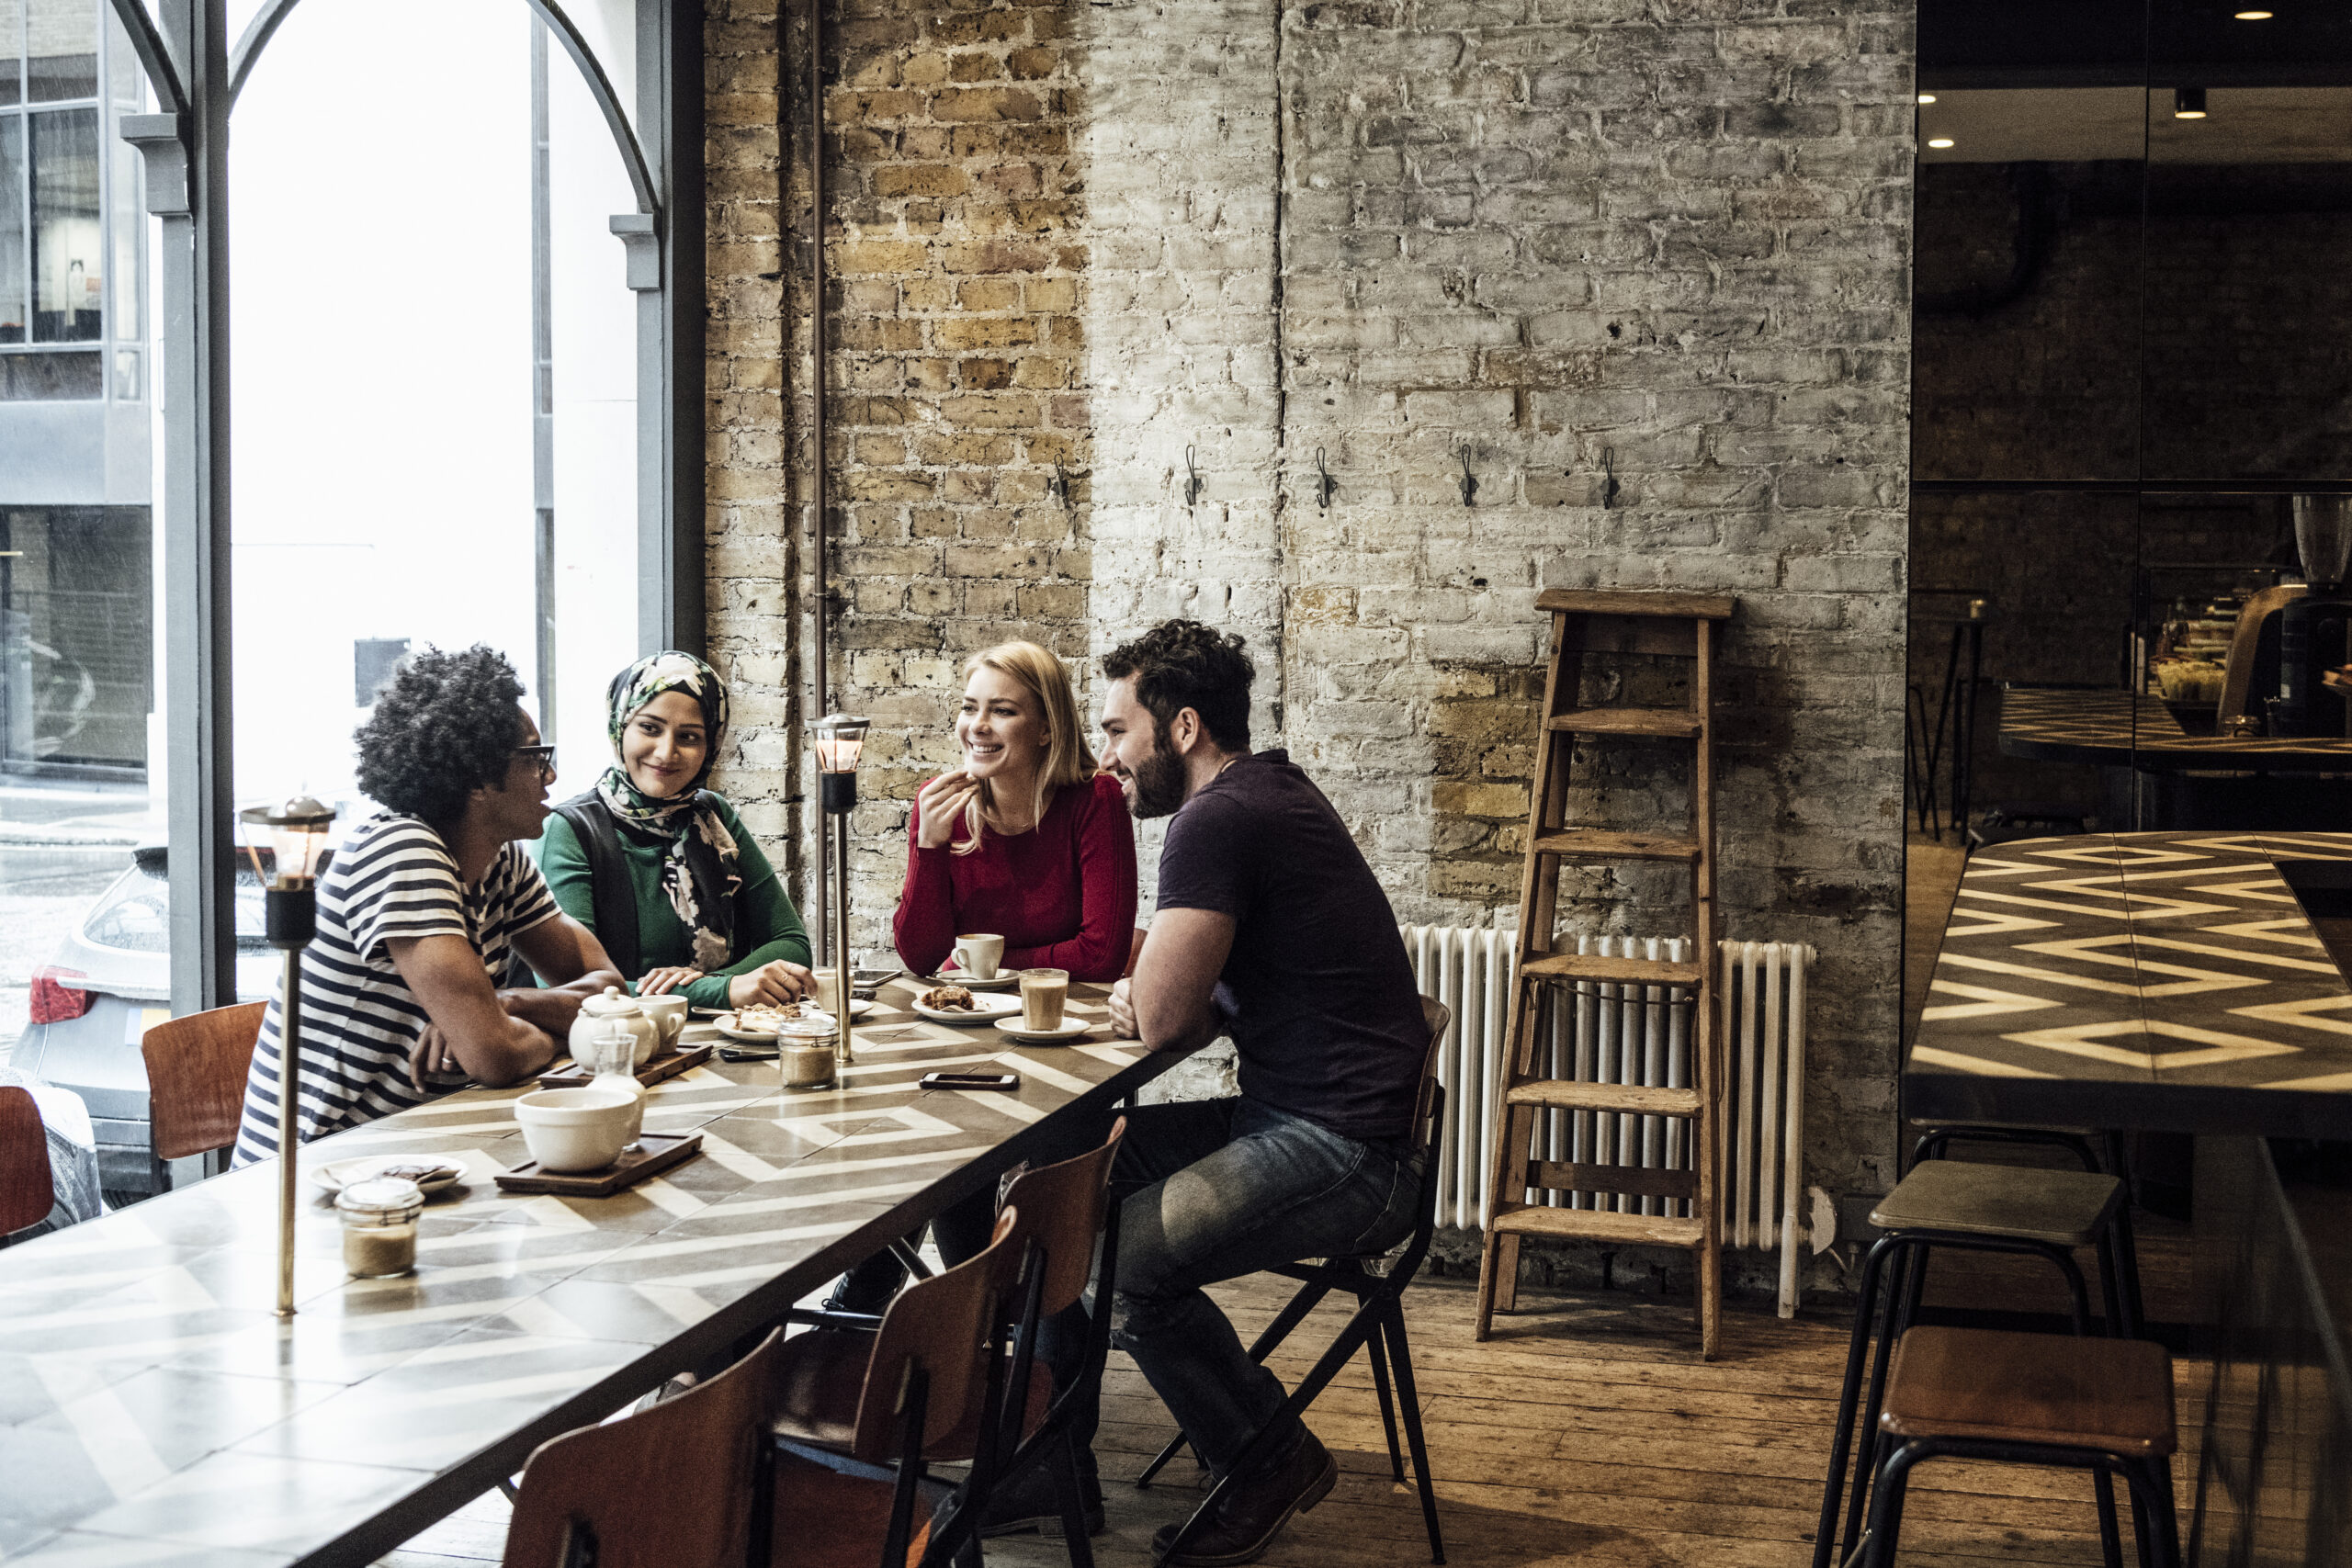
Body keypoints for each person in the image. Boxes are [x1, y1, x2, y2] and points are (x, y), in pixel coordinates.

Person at [1082, 618, 1430, 1565]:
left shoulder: (1215, 821)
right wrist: (1158, 995)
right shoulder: (1267, 792)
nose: (1107, 757)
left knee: (1119, 1264)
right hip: (1305, 1119)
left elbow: (1160, 1022)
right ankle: (1053, 1457)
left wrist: (1144, 994)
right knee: (1070, 1177)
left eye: (1119, 732)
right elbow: (1193, 1015)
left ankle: (1267, 1459)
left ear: (1183, 727)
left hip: (1347, 1155)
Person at [232, 646, 623, 1164]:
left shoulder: (501, 861)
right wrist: (533, 1033)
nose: (549, 777)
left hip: (425, 1150)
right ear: (481, 778)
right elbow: (494, 1056)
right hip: (320, 1179)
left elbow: (613, 994)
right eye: (534, 758)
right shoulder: (402, 850)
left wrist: (510, 1006)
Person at [537, 651, 815, 1010]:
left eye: (688, 736)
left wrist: (714, 983)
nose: (666, 752)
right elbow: (564, 990)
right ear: (620, 725)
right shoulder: (569, 830)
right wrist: (724, 991)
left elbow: (791, 942)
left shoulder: (713, 815)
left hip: (726, 1043)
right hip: (613, 1051)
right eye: (649, 728)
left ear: (711, 745)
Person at [893, 640, 1137, 981]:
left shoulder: (1096, 799)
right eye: (968, 708)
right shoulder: (940, 802)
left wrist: (984, 964)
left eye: (1002, 711)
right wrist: (929, 847)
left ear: (1046, 728)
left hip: (1066, 1017)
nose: (977, 725)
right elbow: (921, 959)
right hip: (972, 1014)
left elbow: (1101, 957)